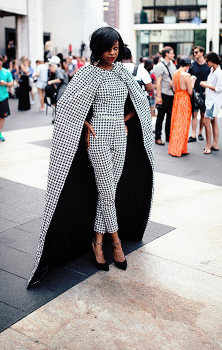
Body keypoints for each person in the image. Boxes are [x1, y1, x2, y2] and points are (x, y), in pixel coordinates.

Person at [27, 26, 154, 288]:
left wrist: (126, 119)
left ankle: (98, 240)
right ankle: (115, 242)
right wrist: (84, 123)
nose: (112, 53)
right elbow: (66, 104)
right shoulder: (86, 73)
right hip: (96, 137)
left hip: (120, 135)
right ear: (98, 48)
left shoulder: (123, 72)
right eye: (108, 48)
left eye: (116, 48)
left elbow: (142, 100)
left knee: (109, 190)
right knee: (107, 190)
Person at [168, 56, 194, 157]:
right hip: (184, 98)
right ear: (188, 64)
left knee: (176, 123)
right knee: (183, 124)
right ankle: (180, 149)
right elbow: (190, 91)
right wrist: (192, 83)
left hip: (177, 98)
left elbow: (174, 89)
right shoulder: (187, 75)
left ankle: (174, 148)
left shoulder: (175, 73)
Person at [200, 52, 222, 155]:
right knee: (214, 122)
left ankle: (208, 145)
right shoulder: (213, 70)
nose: (206, 63)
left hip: (213, 102)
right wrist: (207, 85)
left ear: (211, 60)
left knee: (206, 123)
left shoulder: (218, 72)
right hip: (211, 100)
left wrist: (206, 86)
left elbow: (219, 88)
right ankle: (215, 144)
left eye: (207, 61)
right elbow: (213, 84)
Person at [154, 46, 176, 145]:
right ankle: (158, 137)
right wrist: (159, 97)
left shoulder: (172, 65)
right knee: (161, 117)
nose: (173, 55)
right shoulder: (160, 65)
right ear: (166, 54)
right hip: (163, 94)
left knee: (170, 117)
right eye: (172, 53)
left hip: (172, 94)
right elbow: (158, 82)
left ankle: (168, 136)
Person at [188, 46, 210, 142]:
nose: (195, 54)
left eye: (196, 52)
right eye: (194, 52)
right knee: (194, 113)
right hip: (195, 92)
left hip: (205, 92)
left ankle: (200, 132)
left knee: (202, 114)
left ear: (202, 52)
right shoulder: (192, 65)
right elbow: (188, 76)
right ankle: (193, 134)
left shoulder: (207, 66)